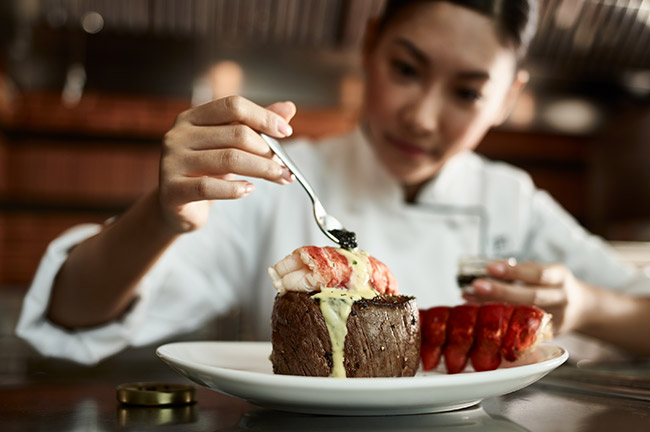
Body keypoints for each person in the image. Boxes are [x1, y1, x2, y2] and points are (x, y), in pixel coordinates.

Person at [17, 0, 650, 365]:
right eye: (407, 69)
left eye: (466, 92)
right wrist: (163, 216)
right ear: (370, 42)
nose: (423, 116)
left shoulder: (511, 198)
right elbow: (72, 314)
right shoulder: (281, 178)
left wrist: (592, 306)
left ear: (509, 97)